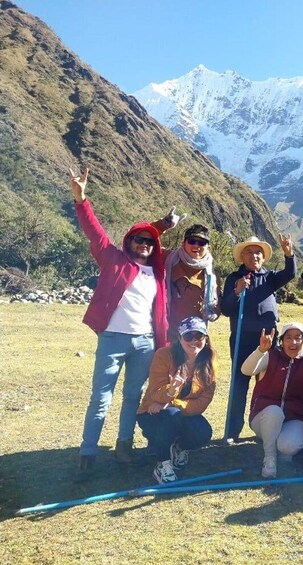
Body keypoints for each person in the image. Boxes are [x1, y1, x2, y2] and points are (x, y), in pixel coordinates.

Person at [69, 168, 180, 479]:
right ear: (129, 242)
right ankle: (88, 452)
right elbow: (95, 232)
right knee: (100, 397)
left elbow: (153, 236)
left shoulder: (156, 272)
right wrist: (81, 199)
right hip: (114, 339)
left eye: (149, 241)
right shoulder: (113, 260)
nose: (144, 244)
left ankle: (123, 446)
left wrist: (162, 226)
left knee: (133, 396)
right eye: (138, 240)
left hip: (145, 341)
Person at [221, 234, 295, 442]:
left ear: (263, 258)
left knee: (267, 385)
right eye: (250, 252)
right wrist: (237, 290)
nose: (254, 256)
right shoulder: (233, 278)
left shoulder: (270, 277)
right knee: (239, 385)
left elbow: (290, 273)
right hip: (241, 340)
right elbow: (227, 309)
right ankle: (232, 431)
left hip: (268, 339)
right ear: (242, 257)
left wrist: (289, 254)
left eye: (258, 253)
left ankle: (264, 428)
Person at [241, 322, 303, 478]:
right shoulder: (270, 356)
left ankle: (281, 448)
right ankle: (270, 457)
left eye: (298, 338)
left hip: (293, 417)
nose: (293, 342)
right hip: (263, 418)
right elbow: (246, 370)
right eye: (288, 338)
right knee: (275, 412)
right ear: (282, 341)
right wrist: (261, 350)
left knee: (289, 446)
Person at [136, 317, 216, 484]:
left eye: (199, 336)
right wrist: (171, 389)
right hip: (151, 413)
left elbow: (203, 402)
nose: (194, 341)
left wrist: (173, 403)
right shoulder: (163, 355)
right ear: (179, 339)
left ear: (206, 339)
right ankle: (162, 463)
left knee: (203, 432)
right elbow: (155, 393)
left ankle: (179, 448)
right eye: (188, 336)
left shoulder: (209, 362)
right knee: (170, 417)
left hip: (177, 411)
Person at [164, 224, 220, 341]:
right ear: (183, 244)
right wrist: (163, 225)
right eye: (192, 241)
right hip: (169, 334)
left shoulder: (212, 275)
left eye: (202, 243)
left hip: (196, 338)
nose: (196, 245)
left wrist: (214, 312)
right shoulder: (169, 259)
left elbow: (217, 305)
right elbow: (147, 242)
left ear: (208, 247)